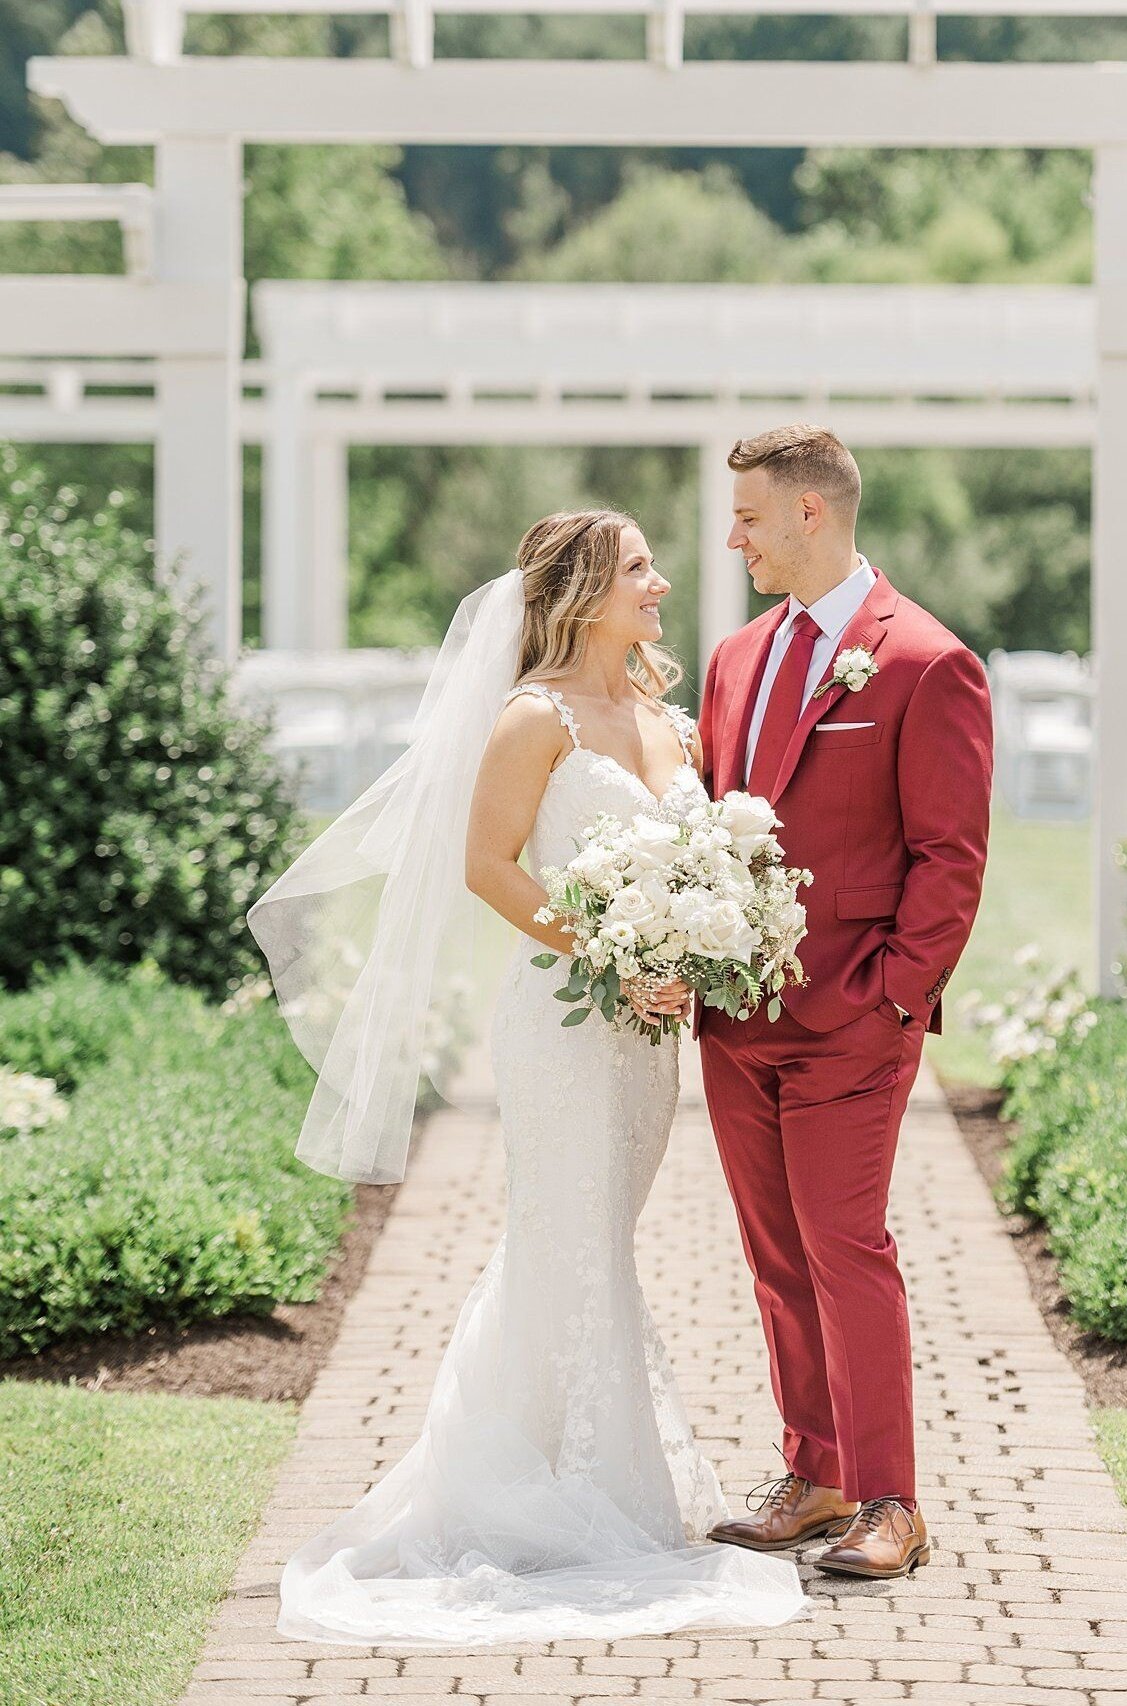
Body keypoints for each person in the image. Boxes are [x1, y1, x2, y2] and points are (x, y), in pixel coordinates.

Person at [248, 509, 806, 1648]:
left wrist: (694, 954)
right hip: (561, 1022)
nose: (662, 583)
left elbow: (699, 868)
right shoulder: (531, 717)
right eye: (641, 567)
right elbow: (485, 866)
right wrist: (611, 951)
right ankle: (547, 1485)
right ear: (586, 586)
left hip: (647, 1037)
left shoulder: (667, 717)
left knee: (600, 1235)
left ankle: (570, 1459)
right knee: (569, 1235)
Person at [696, 425, 993, 1579]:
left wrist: (889, 1001)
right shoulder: (734, 656)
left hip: (852, 1023)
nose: (737, 537)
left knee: (844, 1245)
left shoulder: (926, 661)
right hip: (737, 1022)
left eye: (753, 518)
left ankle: (890, 1501)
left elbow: (950, 859)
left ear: (812, 512)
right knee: (775, 1253)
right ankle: (815, 1469)